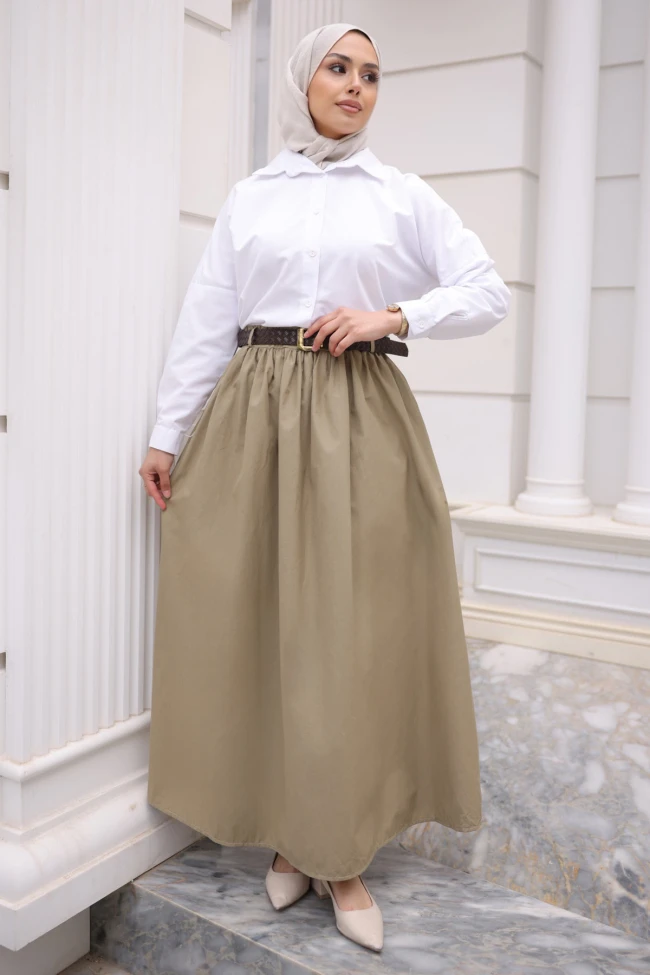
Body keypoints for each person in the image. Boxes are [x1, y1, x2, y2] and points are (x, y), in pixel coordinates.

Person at [139, 22, 510, 953]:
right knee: (268, 629)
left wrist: (396, 314)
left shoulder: (399, 194)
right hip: (252, 420)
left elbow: (487, 290)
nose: (356, 87)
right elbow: (208, 319)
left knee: (346, 639)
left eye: (372, 74)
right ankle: (290, 834)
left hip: (358, 423)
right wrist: (166, 432)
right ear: (304, 80)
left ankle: (341, 854)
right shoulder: (253, 197)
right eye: (339, 69)